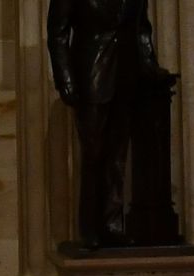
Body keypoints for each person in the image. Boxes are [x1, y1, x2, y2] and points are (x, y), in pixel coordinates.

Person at [46, 0, 167, 247]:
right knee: (93, 154)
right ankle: (89, 228)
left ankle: (112, 225)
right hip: (91, 76)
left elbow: (142, 30)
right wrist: (65, 79)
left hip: (127, 76)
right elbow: (57, 33)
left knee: (117, 156)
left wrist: (150, 68)